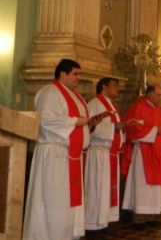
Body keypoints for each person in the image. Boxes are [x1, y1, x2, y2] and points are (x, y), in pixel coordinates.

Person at [23, 59, 93, 240]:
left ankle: (66, 234)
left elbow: (81, 124)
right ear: (63, 73)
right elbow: (46, 119)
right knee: (52, 199)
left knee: (65, 200)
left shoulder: (76, 96)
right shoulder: (49, 93)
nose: (78, 78)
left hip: (71, 156)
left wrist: (89, 124)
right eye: (75, 74)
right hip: (54, 154)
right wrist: (76, 121)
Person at [121, 84, 161, 229]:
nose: (160, 98)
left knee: (155, 187)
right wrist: (155, 131)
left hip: (158, 151)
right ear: (149, 94)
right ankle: (139, 217)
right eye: (158, 95)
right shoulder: (138, 108)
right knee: (142, 185)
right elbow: (132, 129)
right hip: (143, 151)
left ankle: (152, 216)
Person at [84, 77, 133, 235]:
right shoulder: (95, 104)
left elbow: (114, 127)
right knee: (96, 189)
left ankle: (103, 222)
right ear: (104, 87)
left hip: (110, 154)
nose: (117, 89)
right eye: (114, 86)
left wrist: (123, 128)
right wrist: (116, 127)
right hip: (98, 153)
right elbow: (89, 127)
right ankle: (92, 224)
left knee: (105, 190)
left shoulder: (112, 106)